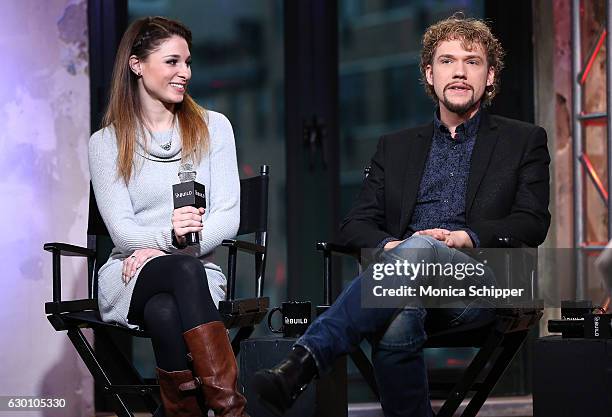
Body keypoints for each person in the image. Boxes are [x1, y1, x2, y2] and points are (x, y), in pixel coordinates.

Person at [253, 14, 550, 417]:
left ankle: (304, 360)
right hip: (403, 281)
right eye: (446, 61)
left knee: (421, 249)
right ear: (429, 74)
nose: (459, 72)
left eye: (472, 61)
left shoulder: (523, 140)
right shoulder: (395, 147)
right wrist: (395, 248)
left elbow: (532, 222)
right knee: (398, 316)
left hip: (479, 282)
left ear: (490, 76)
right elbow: (354, 226)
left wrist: (466, 237)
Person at [88, 16, 248, 417]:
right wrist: (168, 240)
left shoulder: (215, 128)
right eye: (173, 62)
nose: (185, 73)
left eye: (188, 63)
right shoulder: (106, 143)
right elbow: (123, 233)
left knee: (165, 309)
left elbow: (228, 218)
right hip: (129, 274)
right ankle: (232, 411)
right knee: (180, 273)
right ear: (137, 64)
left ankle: (185, 412)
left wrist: (161, 250)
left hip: (196, 270)